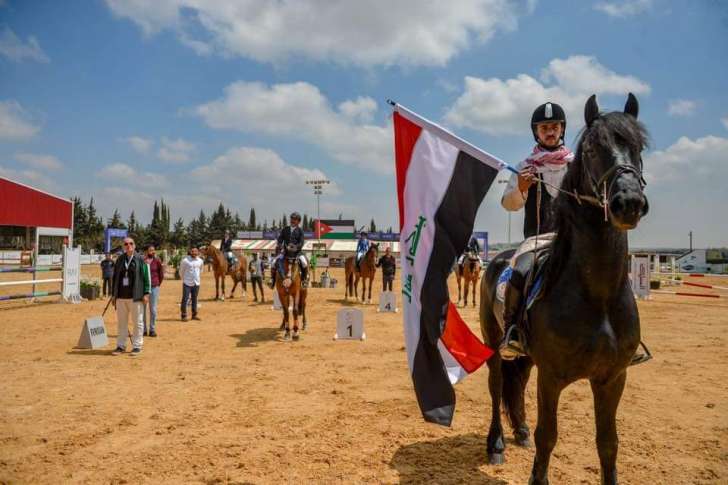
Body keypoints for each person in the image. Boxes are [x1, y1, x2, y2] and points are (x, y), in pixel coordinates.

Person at [499, 102, 573, 360]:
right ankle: (511, 332)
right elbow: (509, 205)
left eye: (554, 126)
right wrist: (521, 187)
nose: (550, 131)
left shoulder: (576, 165)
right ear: (536, 133)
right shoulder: (524, 167)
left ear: (562, 129)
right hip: (537, 241)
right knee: (519, 272)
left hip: (573, 241)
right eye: (544, 128)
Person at [111, 237, 150, 356]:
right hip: (121, 297)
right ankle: (121, 346)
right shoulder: (120, 260)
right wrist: (114, 295)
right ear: (123, 246)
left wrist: (146, 293)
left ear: (135, 245)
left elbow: (146, 277)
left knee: (138, 322)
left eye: (131, 243)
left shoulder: (141, 259)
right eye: (126, 244)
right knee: (121, 323)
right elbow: (115, 277)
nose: (128, 245)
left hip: (136, 296)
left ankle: (137, 346)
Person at [270, 212, 308, 288]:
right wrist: (280, 245)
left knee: (304, 263)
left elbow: (301, 243)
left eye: (295, 219)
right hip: (285, 253)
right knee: (274, 262)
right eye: (291, 219)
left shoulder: (300, 231)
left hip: (297, 253)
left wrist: (295, 247)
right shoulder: (285, 229)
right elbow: (280, 239)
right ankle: (272, 280)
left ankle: (304, 280)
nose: (292, 220)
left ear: (298, 221)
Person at [142, 245, 164, 337]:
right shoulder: (142, 261)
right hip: (143, 288)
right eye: (151, 250)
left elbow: (161, 274)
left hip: (154, 287)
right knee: (142, 309)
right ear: (146, 251)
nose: (153, 252)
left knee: (153, 309)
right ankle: (143, 329)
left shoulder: (157, 261)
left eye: (154, 250)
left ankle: (152, 329)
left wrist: (158, 284)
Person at [180, 246, 204, 322]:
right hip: (187, 283)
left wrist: (197, 278)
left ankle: (194, 315)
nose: (194, 253)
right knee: (185, 299)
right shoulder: (185, 261)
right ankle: (183, 315)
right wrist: (184, 279)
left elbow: (201, 270)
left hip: (196, 283)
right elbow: (181, 271)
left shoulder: (200, 261)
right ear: (190, 252)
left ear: (198, 252)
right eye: (192, 251)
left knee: (195, 299)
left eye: (195, 251)